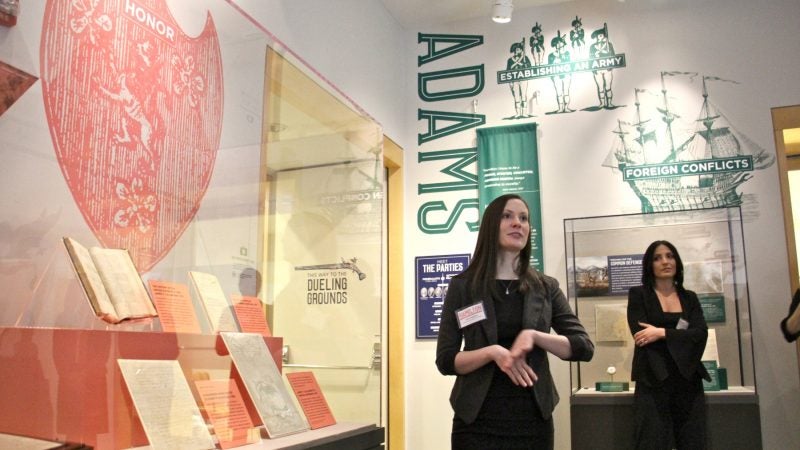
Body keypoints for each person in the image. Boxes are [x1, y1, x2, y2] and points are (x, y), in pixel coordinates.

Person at [436, 194, 594, 449]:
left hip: (532, 421)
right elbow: (445, 360)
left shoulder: (546, 287)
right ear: (491, 225)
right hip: (476, 421)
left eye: (523, 218)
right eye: (507, 216)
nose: (517, 223)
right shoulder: (463, 286)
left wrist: (535, 336)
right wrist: (493, 353)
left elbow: (583, 347)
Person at [627, 240, 710, 450]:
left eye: (670, 256)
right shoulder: (639, 295)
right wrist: (680, 338)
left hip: (687, 377)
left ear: (677, 261)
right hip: (653, 378)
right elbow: (641, 336)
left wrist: (661, 333)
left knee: (693, 440)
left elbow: (700, 334)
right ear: (649, 265)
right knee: (651, 441)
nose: (665, 261)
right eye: (657, 258)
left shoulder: (689, 298)